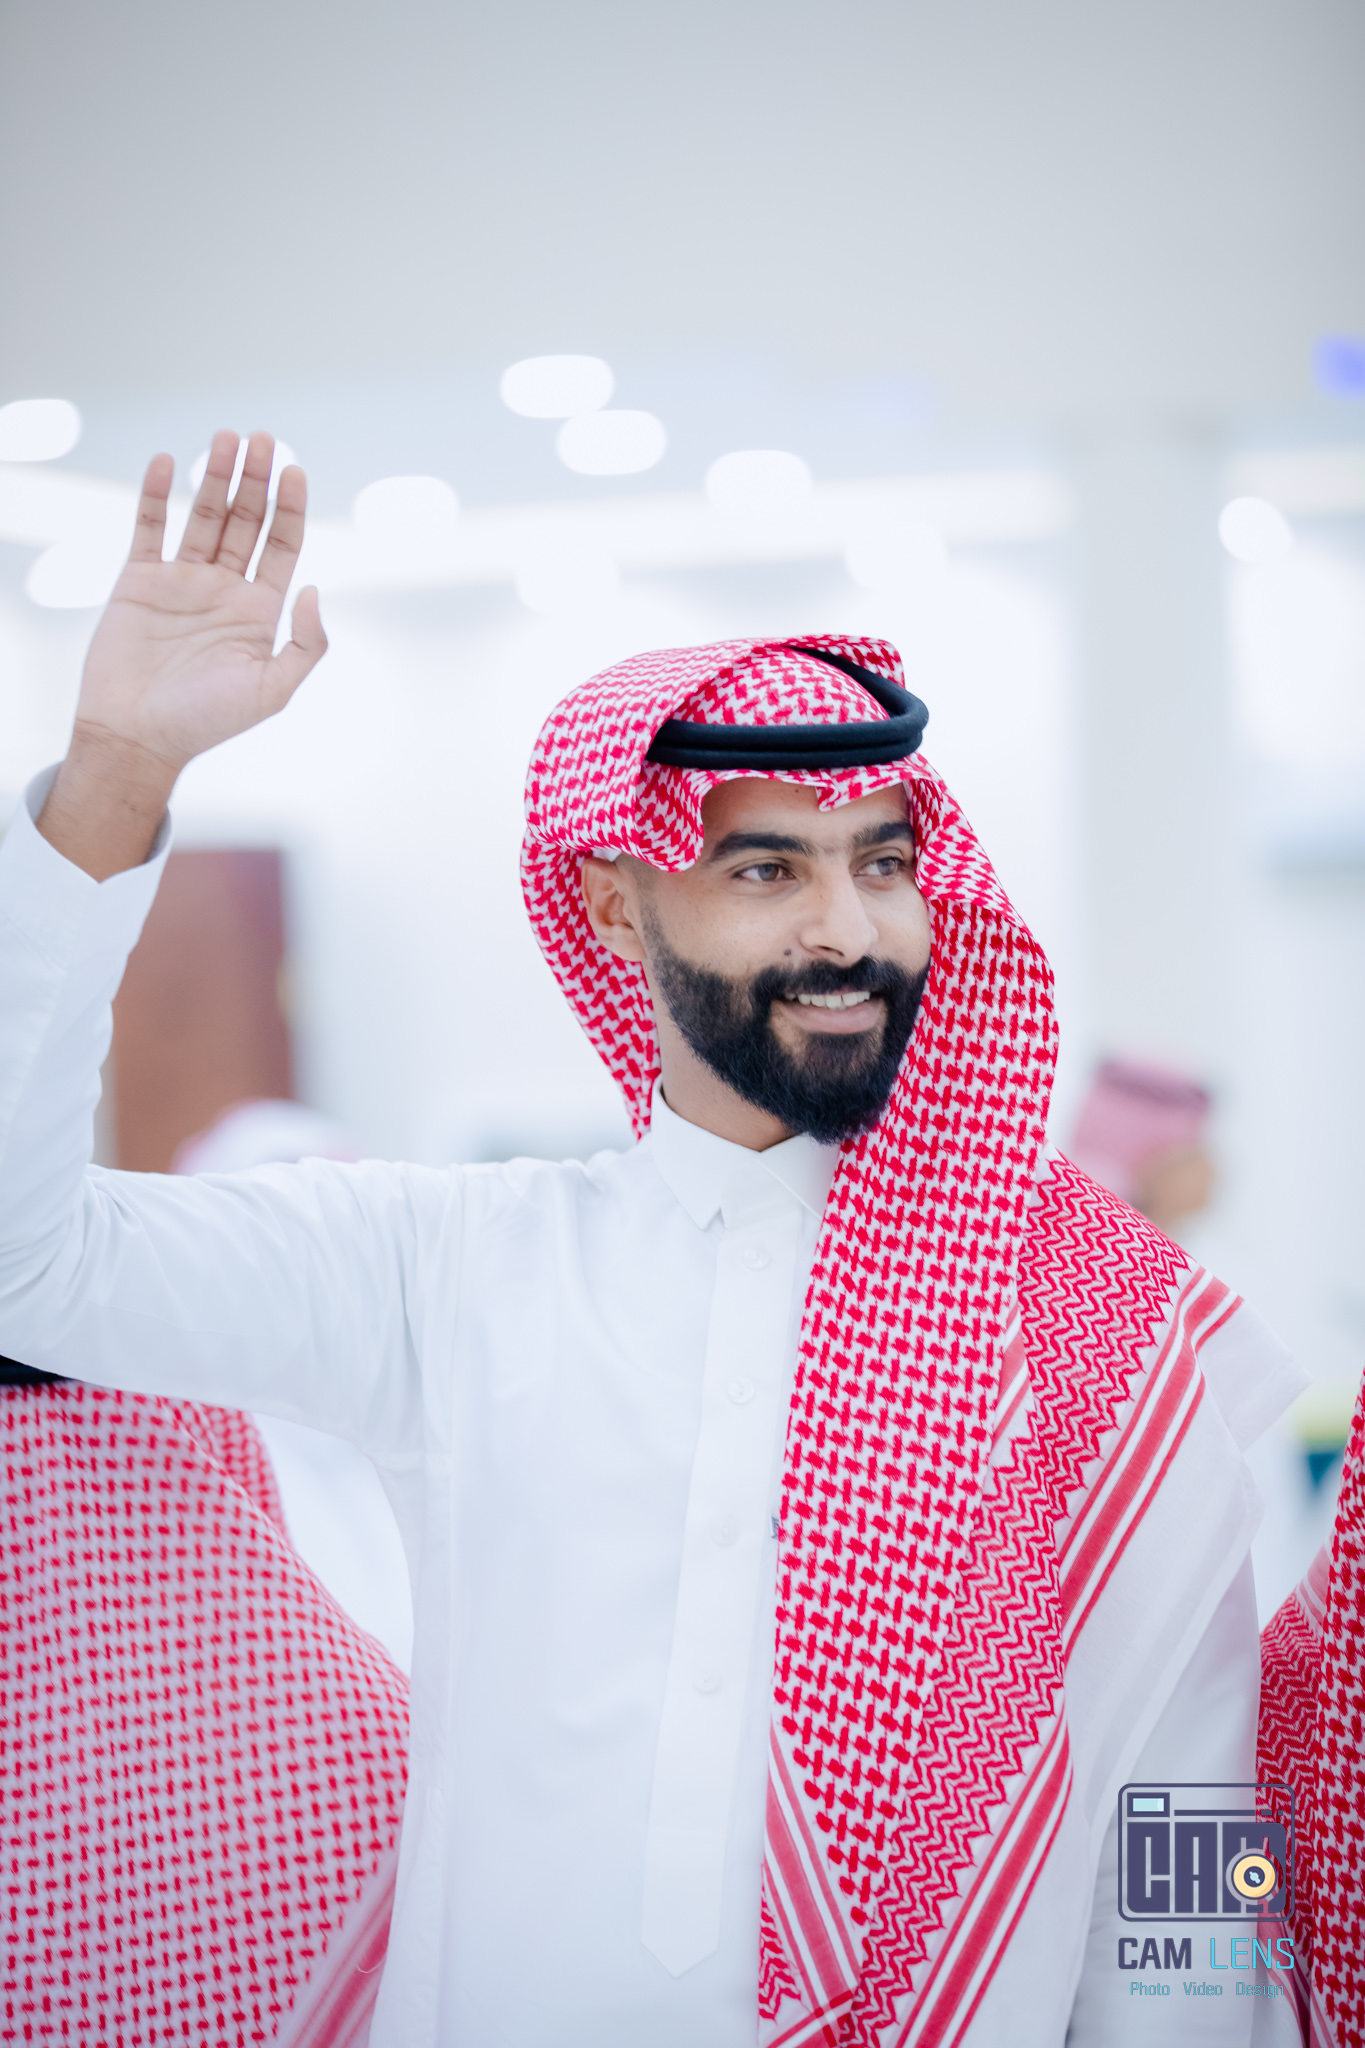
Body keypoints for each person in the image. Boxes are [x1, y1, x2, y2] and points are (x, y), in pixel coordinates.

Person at [0, 431, 1306, 2047]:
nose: (845, 928)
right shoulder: (453, 1268)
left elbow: (1191, 1817)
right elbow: (27, 1263)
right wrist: (116, 774)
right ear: (615, 904)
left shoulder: (1096, 1319)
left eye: (881, 864)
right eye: (765, 868)